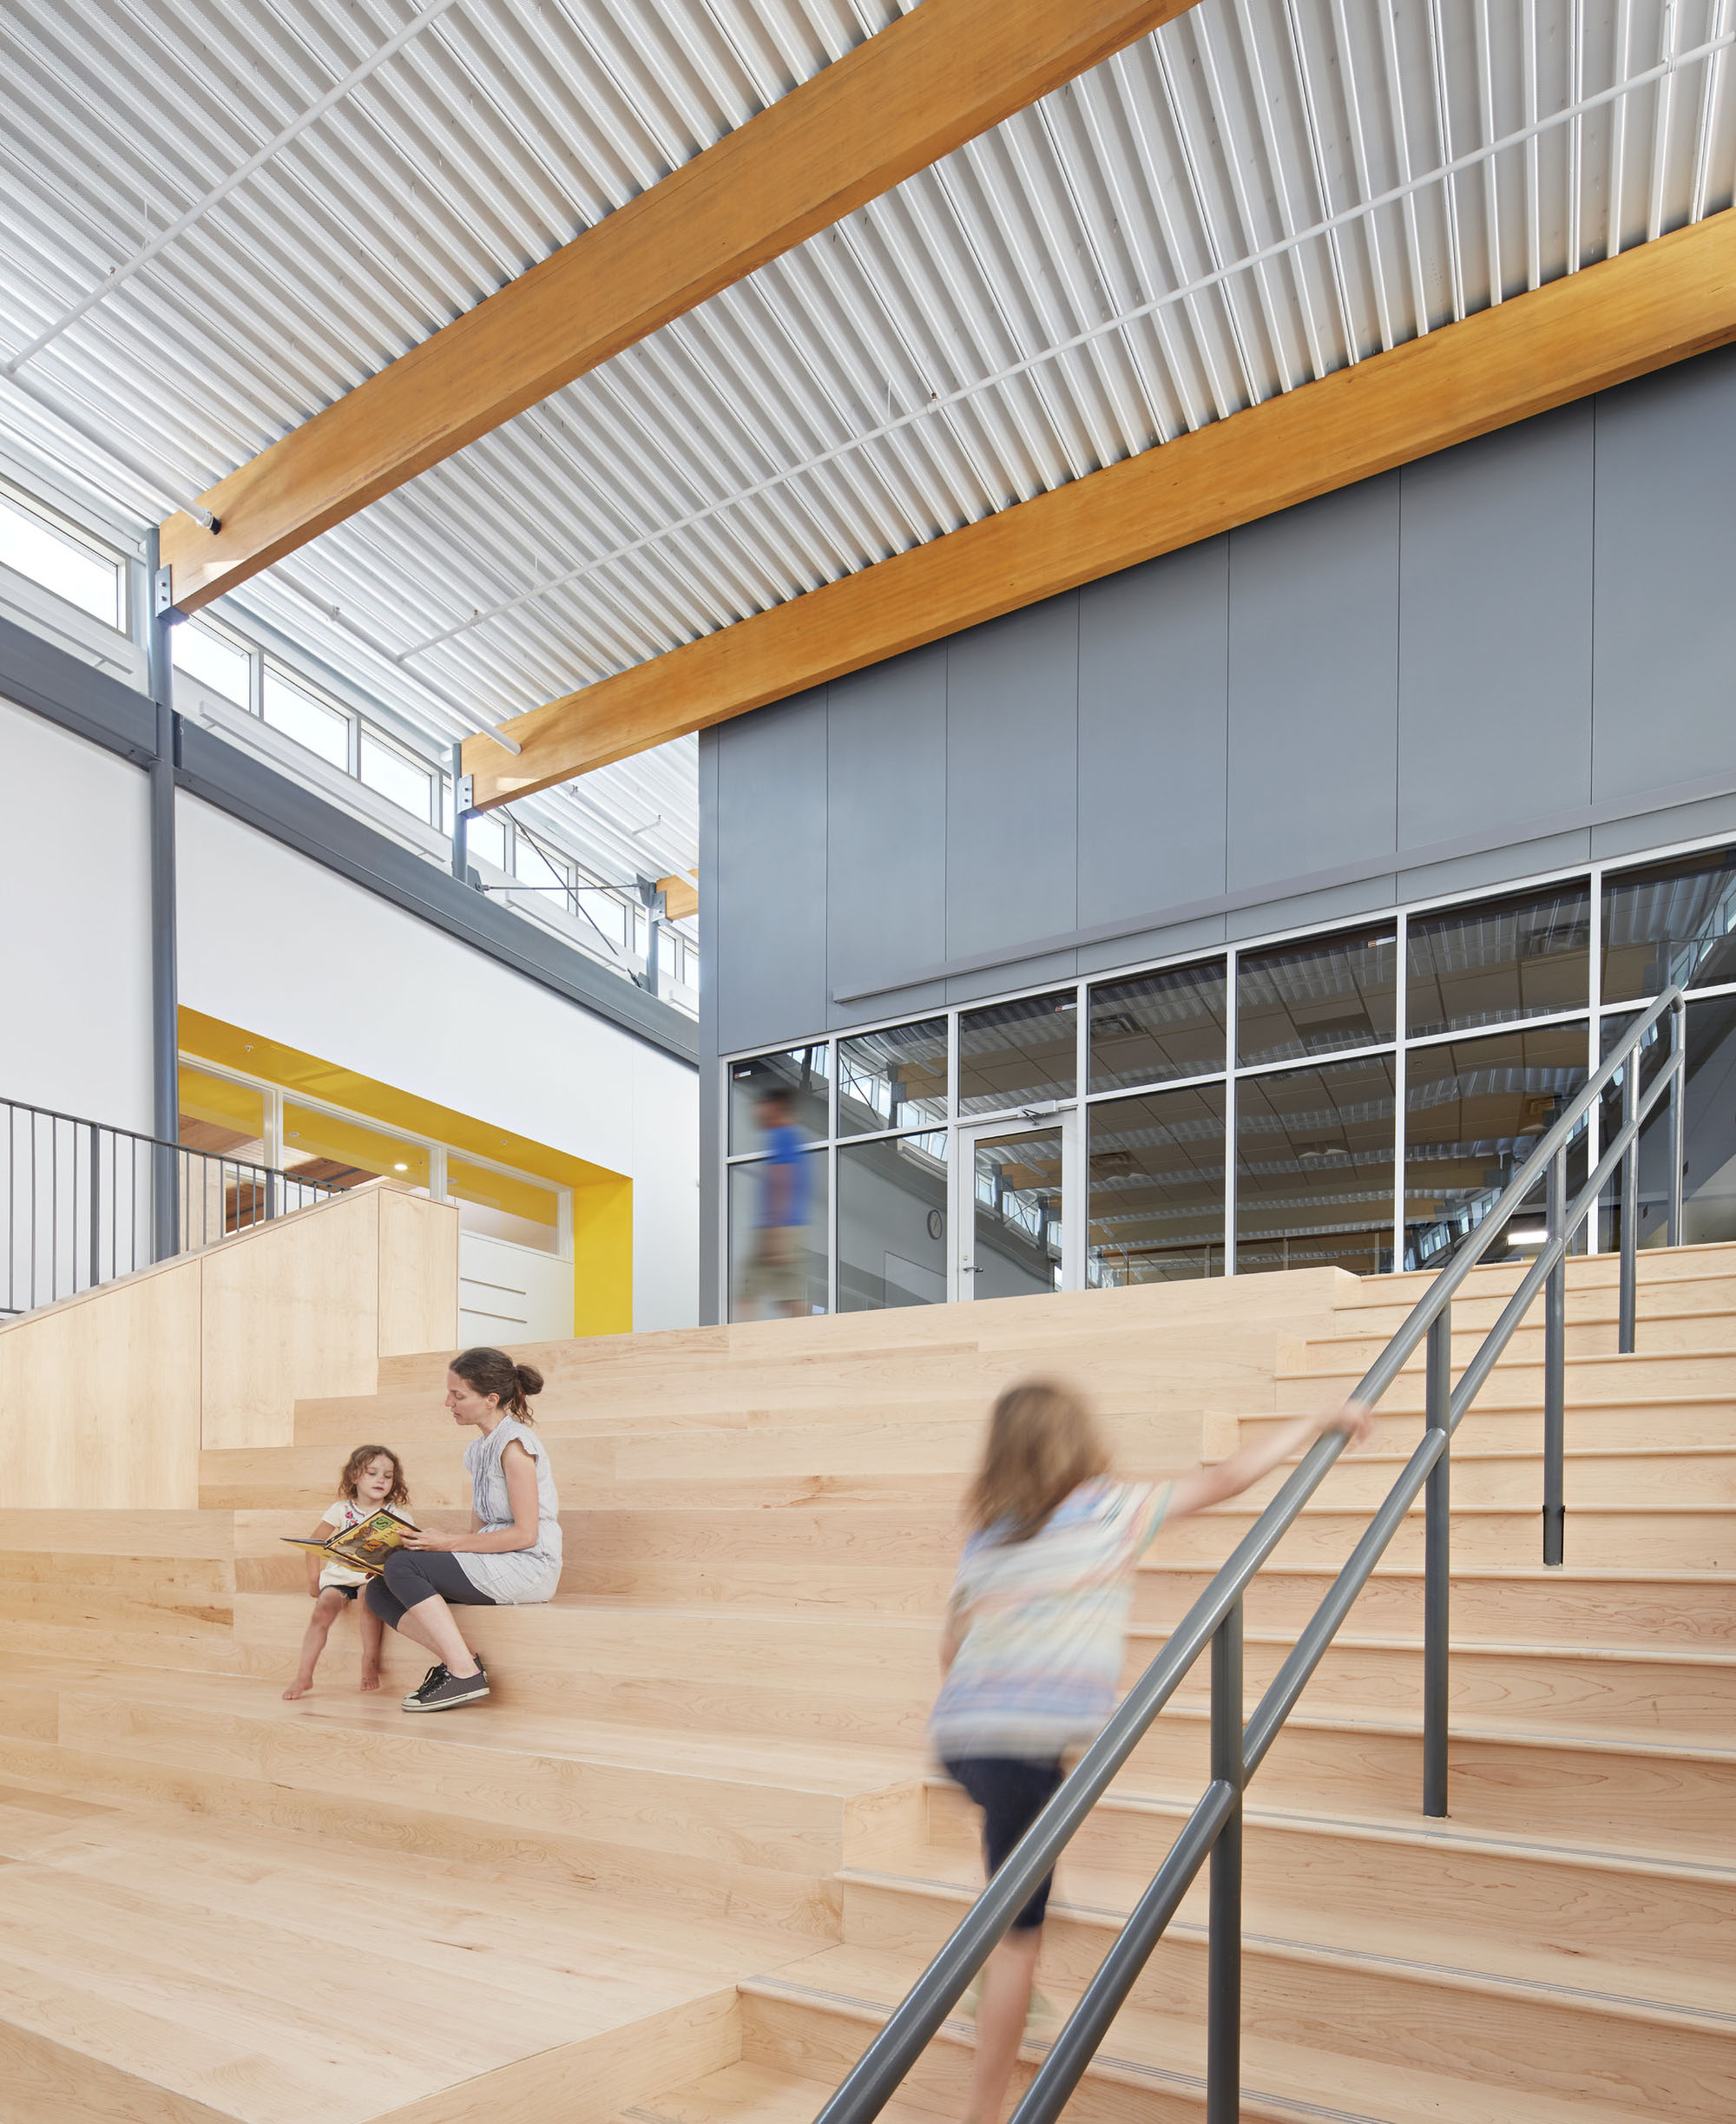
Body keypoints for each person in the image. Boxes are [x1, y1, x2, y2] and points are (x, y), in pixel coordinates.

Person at [930, 1379, 1373, 2124]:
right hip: (1021, 1752)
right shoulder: (1112, 1509)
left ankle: (1001, 1936)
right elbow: (1230, 1477)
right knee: (1019, 1937)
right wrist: (1319, 1417)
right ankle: (983, 2108)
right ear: (1079, 1442)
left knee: (1016, 1865)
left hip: (962, 1740)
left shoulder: (990, 1534)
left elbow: (950, 1647)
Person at [365, 1346, 563, 1713]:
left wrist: (445, 1544)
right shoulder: (478, 1450)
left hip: (529, 1565)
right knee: (379, 1588)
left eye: (458, 1395)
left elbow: (526, 1535)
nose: (448, 1403)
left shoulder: (515, 1447)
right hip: (496, 1559)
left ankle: (464, 1674)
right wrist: (429, 1545)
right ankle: (463, 1663)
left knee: (403, 1566)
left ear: (491, 1399)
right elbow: (480, 1532)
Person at [283, 1444, 412, 1700]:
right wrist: (314, 1581)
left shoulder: (398, 1515)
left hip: (372, 1579)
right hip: (340, 1579)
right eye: (372, 1473)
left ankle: (369, 1660)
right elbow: (314, 1545)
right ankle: (304, 1675)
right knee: (323, 1609)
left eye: (388, 1476)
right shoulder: (341, 1510)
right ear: (354, 1476)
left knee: (368, 1597)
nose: (381, 1480)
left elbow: (407, 1552)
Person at [739, 1086, 811, 1318]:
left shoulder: (783, 1136)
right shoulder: (790, 1136)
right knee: (790, 1293)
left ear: (776, 1107)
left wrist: (776, 1232)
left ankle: (740, 1338)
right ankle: (805, 1335)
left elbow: (783, 1180)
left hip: (777, 1228)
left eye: (762, 1106)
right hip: (785, 1226)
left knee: (747, 1290)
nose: (757, 1111)